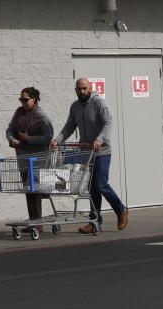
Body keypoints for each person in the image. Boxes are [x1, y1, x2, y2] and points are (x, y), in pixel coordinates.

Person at [50, 77, 129, 234]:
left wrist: (99, 139)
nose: (82, 91)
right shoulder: (75, 107)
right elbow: (69, 126)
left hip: (102, 151)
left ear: (90, 88)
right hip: (86, 151)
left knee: (100, 184)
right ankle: (95, 222)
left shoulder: (98, 102)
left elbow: (108, 122)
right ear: (75, 90)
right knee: (91, 188)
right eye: (79, 89)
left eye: (84, 88)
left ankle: (121, 210)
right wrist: (57, 140)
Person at [5, 86, 54, 220]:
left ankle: (37, 222)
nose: (22, 102)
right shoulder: (19, 112)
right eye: (20, 99)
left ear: (34, 99)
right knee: (28, 191)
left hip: (38, 160)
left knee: (35, 190)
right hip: (23, 158)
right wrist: (12, 139)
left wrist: (29, 139)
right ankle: (34, 221)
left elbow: (48, 136)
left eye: (25, 99)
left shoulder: (41, 116)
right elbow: (9, 130)